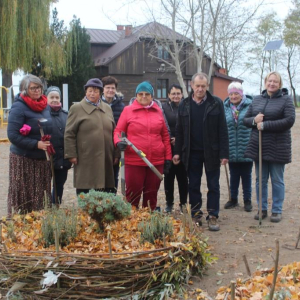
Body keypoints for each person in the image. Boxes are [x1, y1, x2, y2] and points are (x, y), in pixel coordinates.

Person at [173, 72, 229, 231]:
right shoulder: (184, 104)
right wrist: (177, 152)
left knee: (213, 185)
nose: (200, 89)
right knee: (194, 185)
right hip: (192, 152)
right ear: (192, 86)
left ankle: (213, 215)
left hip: (212, 151)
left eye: (203, 86)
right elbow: (179, 131)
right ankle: (196, 214)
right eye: (197, 86)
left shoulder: (216, 103)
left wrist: (224, 153)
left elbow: (222, 130)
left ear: (207, 87)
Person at [244, 71, 295, 222]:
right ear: (265, 82)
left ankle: (277, 210)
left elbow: (289, 121)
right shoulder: (257, 99)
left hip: (278, 147)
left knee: (277, 179)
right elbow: (246, 120)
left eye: (275, 81)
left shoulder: (286, 100)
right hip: (259, 146)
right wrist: (255, 120)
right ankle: (262, 208)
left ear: (280, 84)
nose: (272, 84)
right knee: (260, 179)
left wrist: (265, 125)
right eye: (269, 81)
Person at [114, 81, 172, 211]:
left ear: (152, 96)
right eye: (140, 94)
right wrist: (119, 142)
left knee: (151, 194)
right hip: (134, 160)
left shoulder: (158, 111)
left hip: (155, 160)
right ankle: (132, 222)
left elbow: (165, 137)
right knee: (133, 194)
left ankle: (148, 223)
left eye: (147, 94)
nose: (144, 96)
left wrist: (167, 158)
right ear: (136, 95)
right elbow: (118, 131)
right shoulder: (128, 111)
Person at [7, 74, 52, 215]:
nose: (37, 90)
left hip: (42, 159)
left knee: (40, 193)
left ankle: (39, 221)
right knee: (24, 193)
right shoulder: (18, 107)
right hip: (24, 159)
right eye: (33, 88)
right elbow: (13, 135)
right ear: (24, 90)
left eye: (39, 87)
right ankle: (21, 223)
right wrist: (35, 144)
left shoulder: (45, 106)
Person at [64, 78, 116, 195]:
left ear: (101, 93)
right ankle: (85, 212)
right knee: (86, 186)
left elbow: (114, 132)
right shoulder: (76, 108)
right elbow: (69, 133)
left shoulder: (107, 108)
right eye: (90, 91)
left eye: (96, 91)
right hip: (85, 155)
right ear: (85, 92)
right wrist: (71, 154)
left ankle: (103, 211)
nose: (92, 94)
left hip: (106, 155)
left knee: (106, 187)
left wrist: (116, 153)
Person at [223, 82, 253, 212]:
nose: (233, 96)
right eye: (231, 94)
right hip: (231, 148)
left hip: (246, 147)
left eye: (236, 93)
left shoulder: (250, 106)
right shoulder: (225, 107)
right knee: (233, 175)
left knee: (246, 175)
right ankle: (233, 199)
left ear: (241, 94)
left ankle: (247, 200)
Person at [162, 84, 188, 213]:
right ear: (169, 95)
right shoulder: (164, 108)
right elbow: (162, 125)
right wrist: (170, 138)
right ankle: (169, 203)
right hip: (168, 147)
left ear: (182, 94)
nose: (176, 96)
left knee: (183, 178)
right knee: (169, 177)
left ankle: (183, 203)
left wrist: (179, 139)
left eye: (178, 93)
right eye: (173, 94)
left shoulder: (187, 107)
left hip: (183, 147)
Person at [46, 86, 72, 204]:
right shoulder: (42, 114)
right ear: (46, 98)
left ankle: (55, 207)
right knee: (44, 185)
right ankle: (43, 207)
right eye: (52, 97)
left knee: (59, 185)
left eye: (57, 97)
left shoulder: (66, 115)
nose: (55, 99)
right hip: (46, 158)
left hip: (62, 157)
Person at [101, 76, 125, 190]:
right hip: (100, 145)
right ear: (103, 89)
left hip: (115, 145)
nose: (110, 90)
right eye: (108, 87)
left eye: (113, 88)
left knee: (114, 175)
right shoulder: (97, 104)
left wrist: (118, 152)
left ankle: (112, 201)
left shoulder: (121, 107)